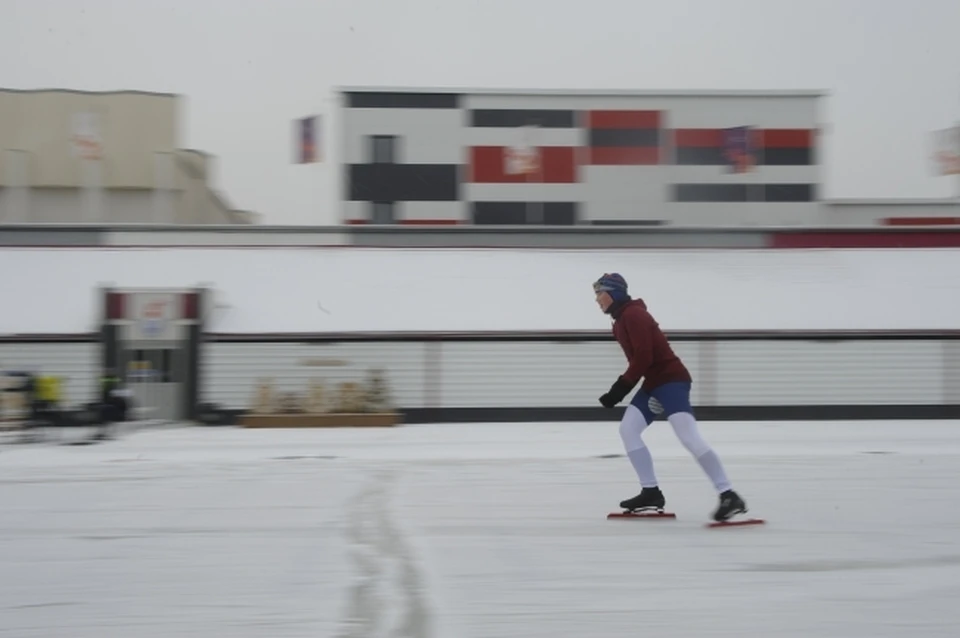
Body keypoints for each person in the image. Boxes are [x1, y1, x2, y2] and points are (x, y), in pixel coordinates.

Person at [593, 272, 748, 523]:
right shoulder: (621, 320)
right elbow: (641, 361)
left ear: (613, 294)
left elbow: (645, 358)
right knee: (628, 430)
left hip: (672, 382)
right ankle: (651, 492)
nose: (597, 299)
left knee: (688, 436)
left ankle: (728, 494)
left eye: (600, 293)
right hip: (654, 384)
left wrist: (619, 389)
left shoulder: (634, 315)